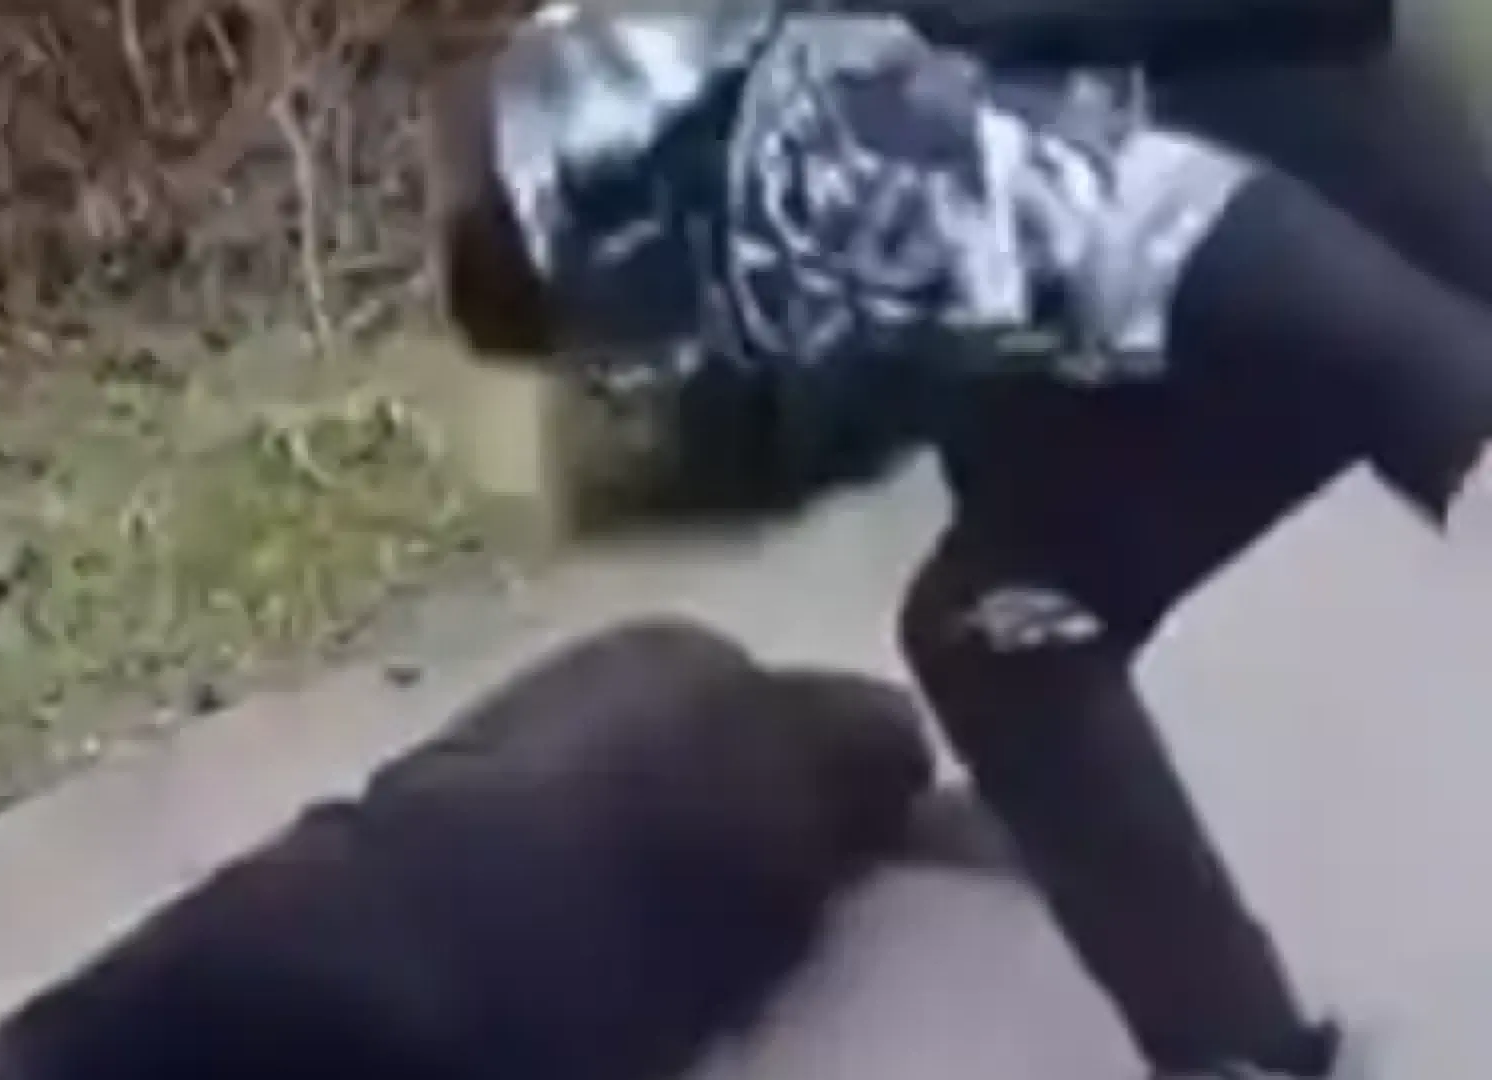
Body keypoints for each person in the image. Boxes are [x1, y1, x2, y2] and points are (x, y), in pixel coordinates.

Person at [426, 4, 1492, 1078]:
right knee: (992, 630)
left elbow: (1196, 221)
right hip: (1222, 269)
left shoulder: (829, 153)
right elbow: (952, 365)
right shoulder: (748, 145)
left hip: (1334, 233)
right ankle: (1236, 1054)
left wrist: (1450, 405)